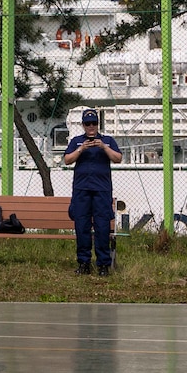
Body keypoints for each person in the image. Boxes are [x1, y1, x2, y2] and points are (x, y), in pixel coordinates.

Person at [62, 108, 122, 276]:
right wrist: (82, 149)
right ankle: (84, 263)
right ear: (83, 125)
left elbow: (117, 158)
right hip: (82, 190)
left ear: (98, 124)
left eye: (94, 123)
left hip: (101, 191)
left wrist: (103, 147)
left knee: (102, 228)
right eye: (87, 124)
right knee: (82, 227)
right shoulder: (76, 141)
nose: (91, 127)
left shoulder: (107, 140)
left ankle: (103, 264)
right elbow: (67, 160)